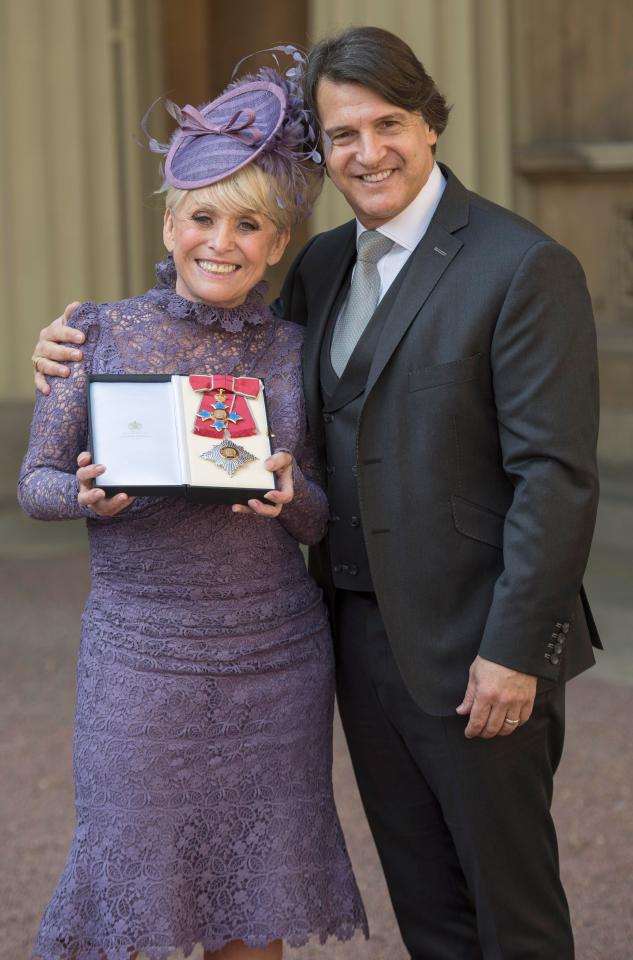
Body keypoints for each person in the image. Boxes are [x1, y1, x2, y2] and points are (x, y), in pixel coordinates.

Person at [31, 25, 602, 960]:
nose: (367, 150)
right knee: (431, 909)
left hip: (476, 644)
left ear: (429, 126)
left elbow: (556, 477)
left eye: (388, 124)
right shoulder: (325, 266)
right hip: (349, 639)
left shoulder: (523, 266)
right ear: (323, 153)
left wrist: (515, 650)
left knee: (514, 912)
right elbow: (218, 332)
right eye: (342, 135)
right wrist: (82, 343)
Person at [20, 48, 367, 960]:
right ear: (171, 224)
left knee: (253, 903)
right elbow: (34, 486)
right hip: (142, 658)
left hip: (276, 655)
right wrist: (87, 495)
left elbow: (322, 515)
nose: (223, 241)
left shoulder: (297, 349)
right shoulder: (93, 332)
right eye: (203, 217)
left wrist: (294, 500)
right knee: (128, 890)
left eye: (249, 225)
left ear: (277, 243)